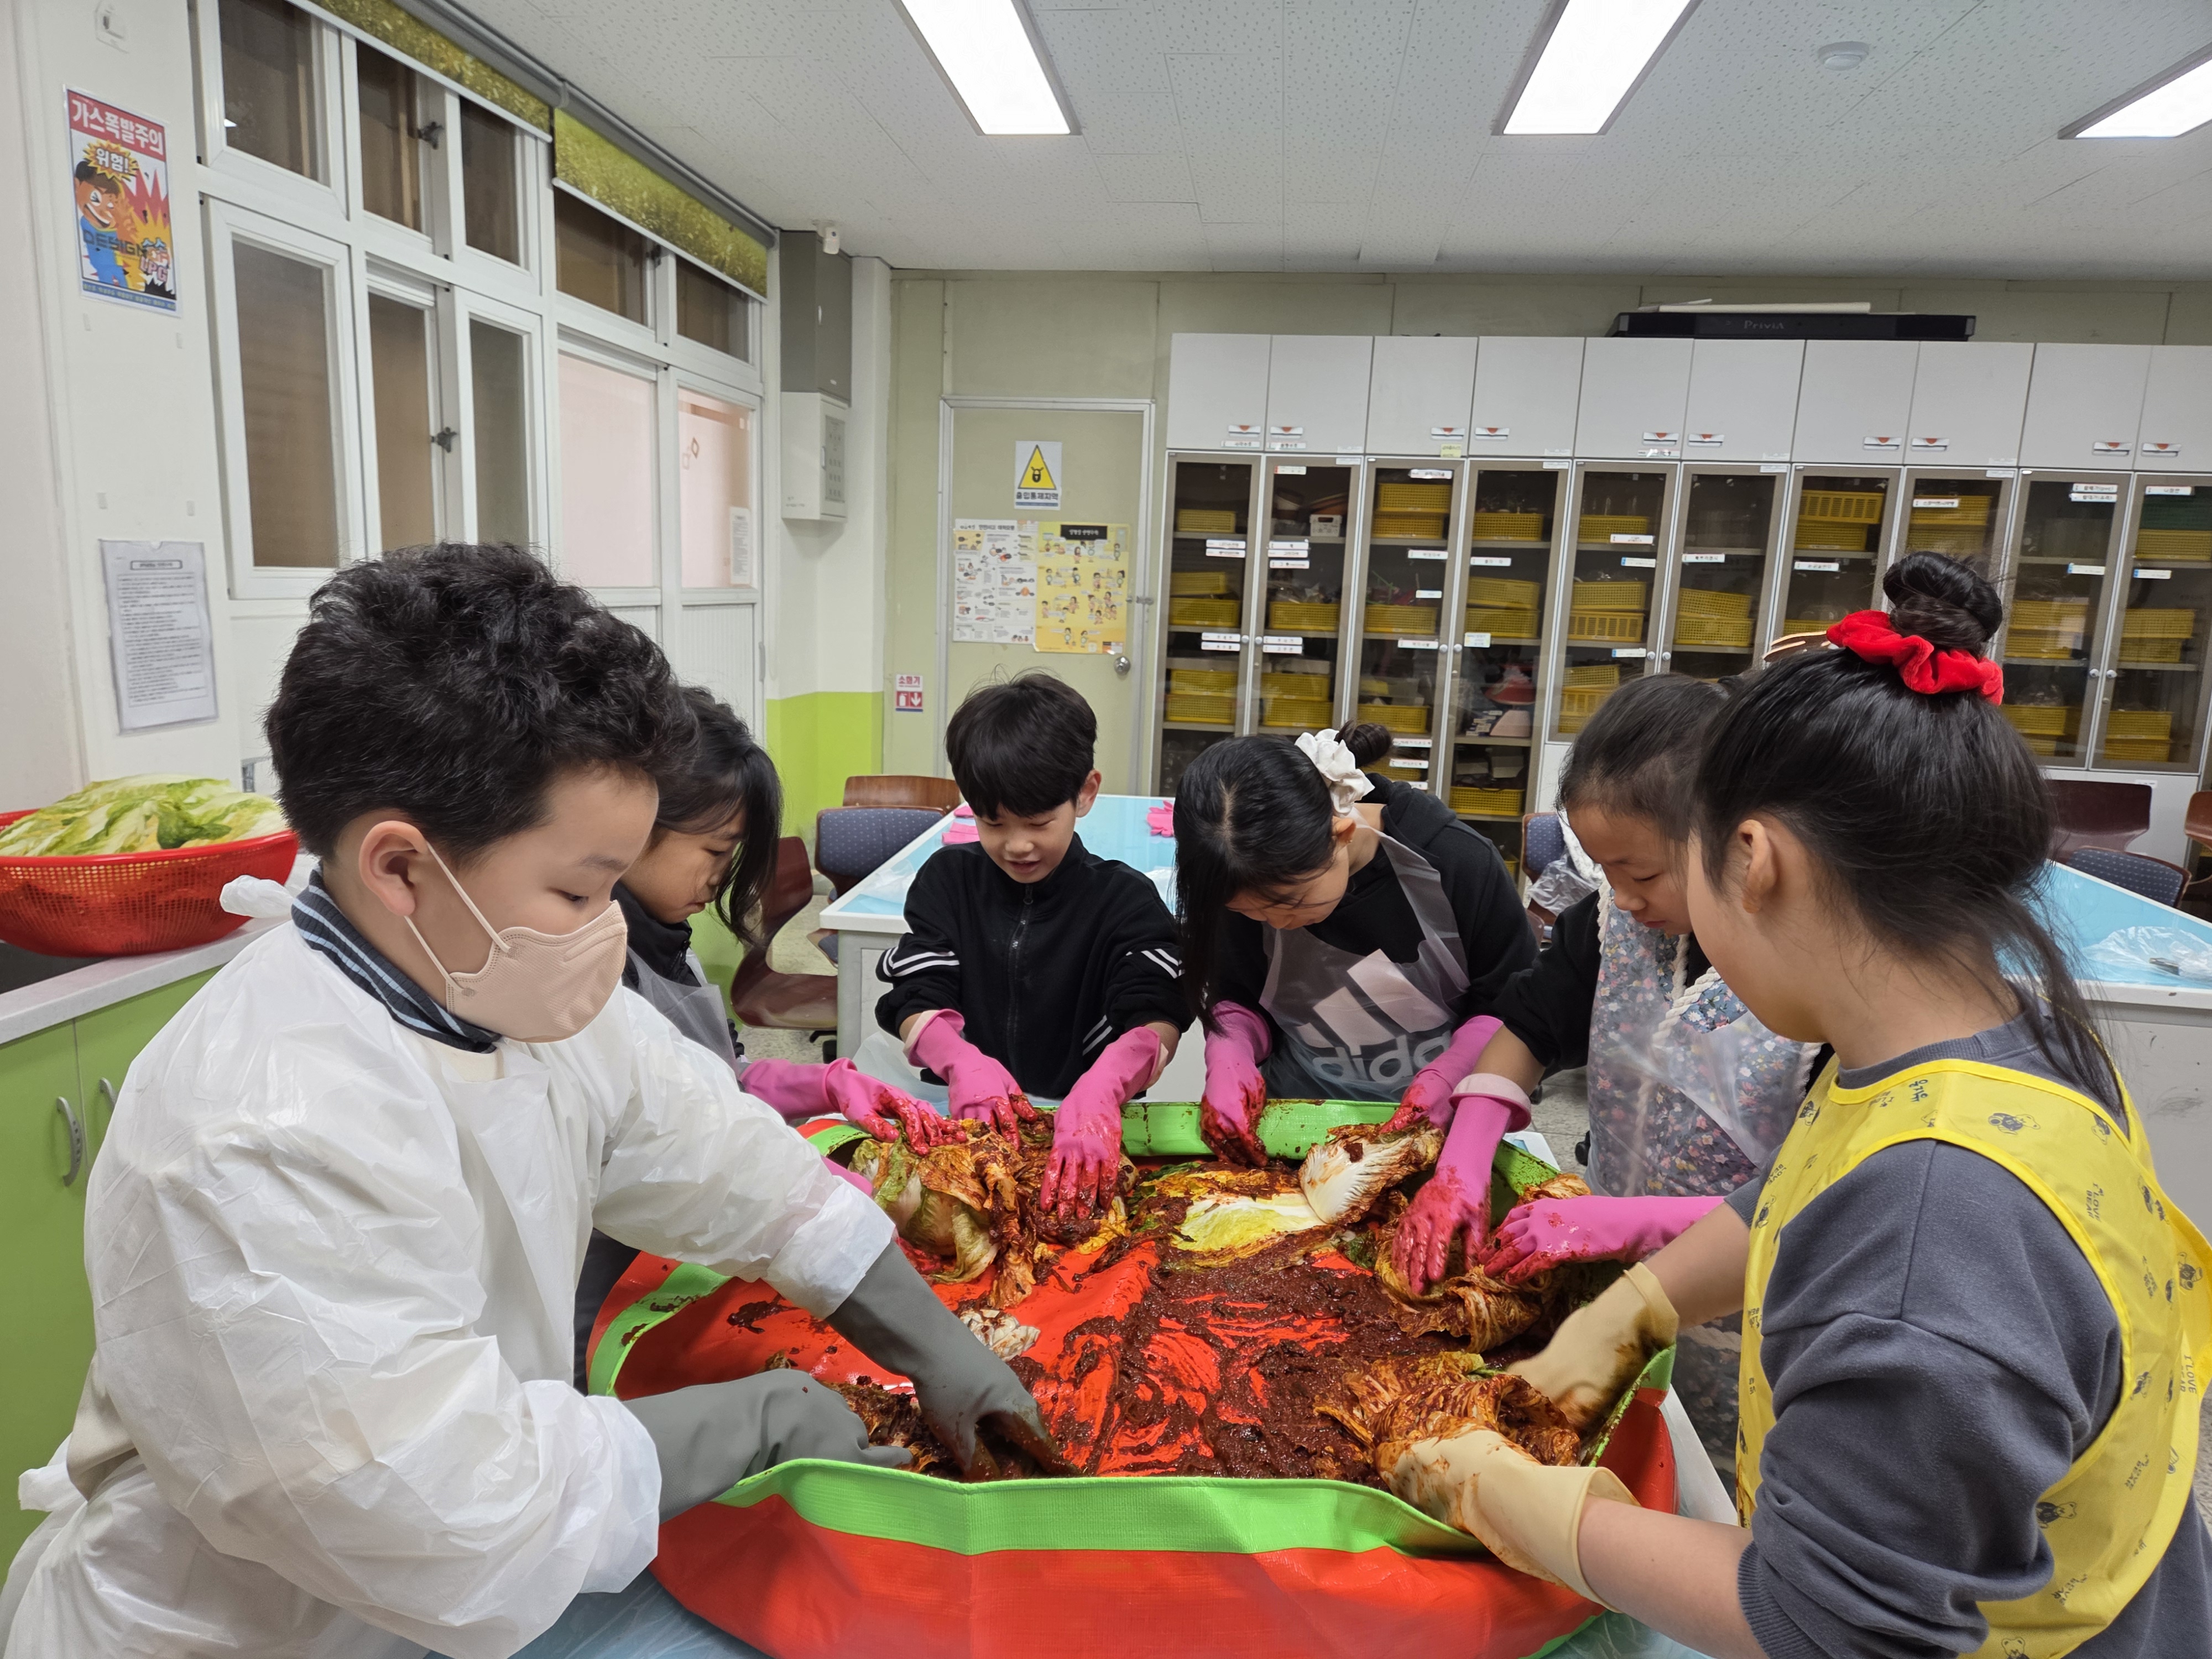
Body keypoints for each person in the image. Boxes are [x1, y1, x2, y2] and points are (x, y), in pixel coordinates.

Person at [2, 546, 1054, 1659]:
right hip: (244, 1631)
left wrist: (931, 1344)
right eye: (579, 888)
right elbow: (455, 1518)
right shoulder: (256, 1128)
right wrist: (757, 1421)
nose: (610, 926)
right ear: (401, 867)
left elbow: (730, 1165)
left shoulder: (496, 979)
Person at [1384, 554, 2212, 1658]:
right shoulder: (1992, 1046)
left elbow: (1827, 1622)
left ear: (1752, 858)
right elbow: (1799, 1186)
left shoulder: (1932, 1219)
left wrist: (1530, 1513)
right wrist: (1628, 1310)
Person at [1391, 675, 1820, 1478]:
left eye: (1643, 873)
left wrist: (1622, 1223)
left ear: (1738, 839)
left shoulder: (1806, 980)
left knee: (1723, 1482)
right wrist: (1461, 1164)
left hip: (1763, 1312)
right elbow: (1529, 1026)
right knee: (1625, 1443)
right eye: (1605, 871)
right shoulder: (1610, 926)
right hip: (1617, 1283)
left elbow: (1817, 1207)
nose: (1621, 899)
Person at [573, 685, 953, 1387]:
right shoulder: (585, 973)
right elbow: (672, 1149)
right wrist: (823, 1199)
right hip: (614, 1291)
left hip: (688, 1254)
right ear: (635, 824)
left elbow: (715, 1076)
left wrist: (824, 1082)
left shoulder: (667, 941)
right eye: (714, 850)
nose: (719, 877)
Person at [874, 674, 1186, 1220]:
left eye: (1039, 822)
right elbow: (917, 993)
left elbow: (1156, 1013)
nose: (1017, 845)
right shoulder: (949, 880)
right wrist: (959, 1060)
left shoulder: (1124, 900)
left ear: (1085, 793)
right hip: (964, 1121)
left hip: (1083, 1124)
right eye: (992, 823)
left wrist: (1106, 1085)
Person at [1174, 723, 1535, 1165]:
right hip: (1299, 1123)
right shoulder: (1237, 878)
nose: (1277, 923)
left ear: (1342, 834)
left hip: (1441, 1125)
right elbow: (1239, 993)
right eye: (1251, 913)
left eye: (1293, 902)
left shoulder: (1455, 862)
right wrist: (1231, 1053)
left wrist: (1452, 1071)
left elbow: (1510, 1005)